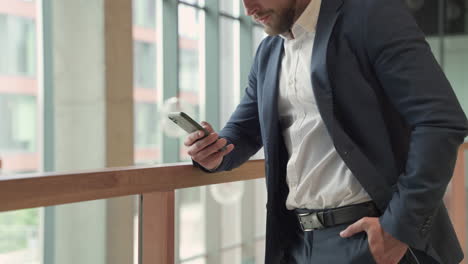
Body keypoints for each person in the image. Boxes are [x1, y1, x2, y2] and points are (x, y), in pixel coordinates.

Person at [184, 0, 468, 263]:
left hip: (370, 235)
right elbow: (244, 130)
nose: (248, 9)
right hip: (296, 241)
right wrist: (214, 152)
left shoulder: (372, 17)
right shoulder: (269, 51)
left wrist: (399, 227)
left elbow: (439, 121)